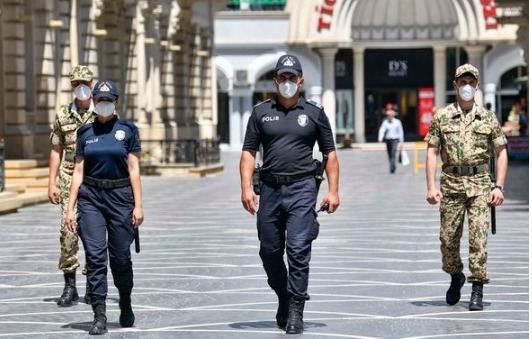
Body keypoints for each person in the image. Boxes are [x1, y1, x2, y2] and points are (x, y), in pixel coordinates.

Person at [240, 54, 340, 334]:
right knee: (269, 252)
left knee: (298, 250)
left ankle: (296, 308)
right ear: (275, 80)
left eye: (291, 77)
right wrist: (246, 187)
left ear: (301, 80)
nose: (287, 82)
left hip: (302, 188)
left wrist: (333, 191)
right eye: (282, 77)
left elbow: (330, 153)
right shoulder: (260, 113)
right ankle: (284, 296)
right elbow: (248, 152)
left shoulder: (315, 113)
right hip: (270, 189)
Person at [425, 64, 508, 311]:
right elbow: (432, 151)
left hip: (481, 185)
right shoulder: (442, 116)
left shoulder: (488, 117)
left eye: (471, 82)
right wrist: (431, 186)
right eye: (463, 82)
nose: (467, 87)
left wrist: (499, 186)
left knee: (478, 239)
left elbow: (501, 152)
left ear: (477, 85)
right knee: (448, 239)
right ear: (455, 85)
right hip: (451, 184)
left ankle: (477, 287)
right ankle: (455, 276)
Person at [66, 80, 144, 335]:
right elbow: (78, 171)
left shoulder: (128, 130)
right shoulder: (85, 133)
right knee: (96, 257)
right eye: (99, 99)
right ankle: (99, 313)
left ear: (116, 102)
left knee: (121, 257)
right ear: (93, 101)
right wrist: (70, 208)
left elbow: (134, 170)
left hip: (121, 197)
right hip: (91, 197)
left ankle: (125, 300)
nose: (103, 104)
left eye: (108, 100)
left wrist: (138, 206)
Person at [48, 65, 95, 306]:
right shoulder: (63, 114)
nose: (81, 87)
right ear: (71, 86)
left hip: (95, 179)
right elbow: (56, 149)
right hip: (68, 178)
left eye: (85, 83)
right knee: (68, 231)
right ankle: (70, 286)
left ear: (92, 84)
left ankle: (92, 285)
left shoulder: (102, 113)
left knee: (93, 232)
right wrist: (52, 182)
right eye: (76, 83)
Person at [377, 107, 404, 173]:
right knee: (389, 153)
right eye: (388, 115)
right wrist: (380, 138)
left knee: (393, 152)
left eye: (390, 115)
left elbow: (400, 131)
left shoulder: (397, 122)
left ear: (393, 115)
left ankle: (392, 166)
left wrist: (401, 141)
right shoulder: (385, 122)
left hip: (395, 140)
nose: (389, 116)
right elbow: (382, 130)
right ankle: (392, 164)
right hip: (388, 140)